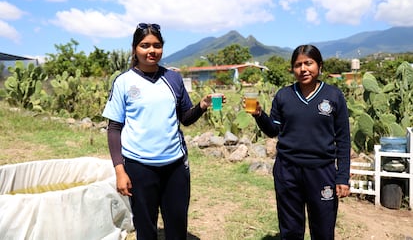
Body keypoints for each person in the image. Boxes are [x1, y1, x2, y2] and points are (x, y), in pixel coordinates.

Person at [102, 23, 222, 240]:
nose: (151, 51)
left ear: (162, 48)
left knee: (177, 226)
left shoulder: (173, 78)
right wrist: (120, 171)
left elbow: (185, 118)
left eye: (157, 45)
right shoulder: (124, 82)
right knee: (145, 228)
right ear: (135, 48)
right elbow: (114, 129)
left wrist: (203, 105)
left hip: (175, 166)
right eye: (145, 45)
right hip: (139, 166)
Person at [246, 44, 351, 240]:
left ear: (319, 65)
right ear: (293, 69)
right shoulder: (283, 96)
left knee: (323, 229)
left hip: (322, 172)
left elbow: (343, 139)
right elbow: (273, 130)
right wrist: (259, 115)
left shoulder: (334, 96)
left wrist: (342, 177)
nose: (303, 69)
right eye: (297, 65)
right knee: (291, 229)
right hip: (287, 171)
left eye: (308, 63)